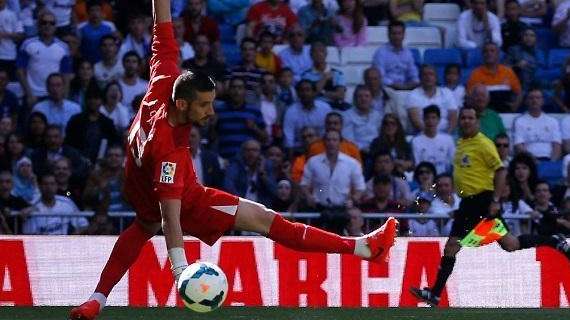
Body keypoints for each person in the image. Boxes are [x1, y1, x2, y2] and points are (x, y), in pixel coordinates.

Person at [69, 2, 398, 319]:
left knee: (143, 226)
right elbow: (172, 218)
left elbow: (162, 23)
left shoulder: (164, 77)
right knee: (270, 222)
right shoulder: (168, 148)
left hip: (138, 184)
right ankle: (363, 249)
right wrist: (182, 270)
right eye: (204, 106)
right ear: (182, 105)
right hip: (185, 199)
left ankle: (96, 300)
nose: (211, 111)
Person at [410, 106, 570, 307]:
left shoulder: (483, 144)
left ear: (477, 121)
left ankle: (434, 294)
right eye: (463, 118)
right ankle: (555, 241)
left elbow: (501, 171)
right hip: (469, 203)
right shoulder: (461, 143)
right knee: (508, 244)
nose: (466, 121)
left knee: (455, 246)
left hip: (481, 202)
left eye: (470, 118)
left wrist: (495, 200)